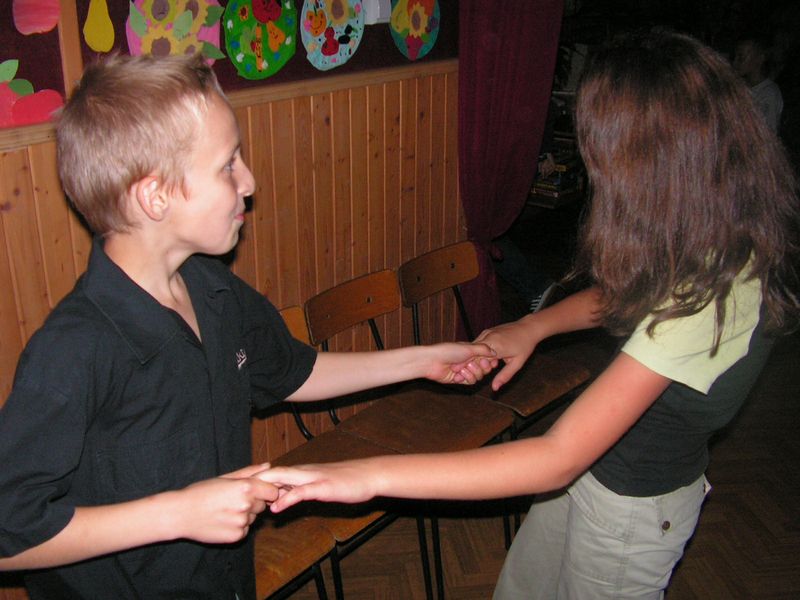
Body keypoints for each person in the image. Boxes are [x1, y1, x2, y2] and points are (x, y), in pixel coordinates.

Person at [259, 31, 800, 599]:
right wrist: (533, 326)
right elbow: (633, 299)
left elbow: (555, 458)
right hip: (596, 469)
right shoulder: (712, 227)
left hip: (630, 511)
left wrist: (368, 474)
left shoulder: (718, 287)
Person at [0, 53, 495, 599]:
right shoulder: (72, 350)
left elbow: (293, 372)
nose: (250, 182)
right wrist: (178, 514)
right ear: (155, 195)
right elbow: (9, 535)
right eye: (227, 165)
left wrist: (422, 361)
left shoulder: (212, 289)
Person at [733, 33, 784, 133]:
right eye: (735, 56)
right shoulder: (739, 87)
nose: (735, 62)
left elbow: (769, 132)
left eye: (741, 57)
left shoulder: (769, 93)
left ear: (760, 58)